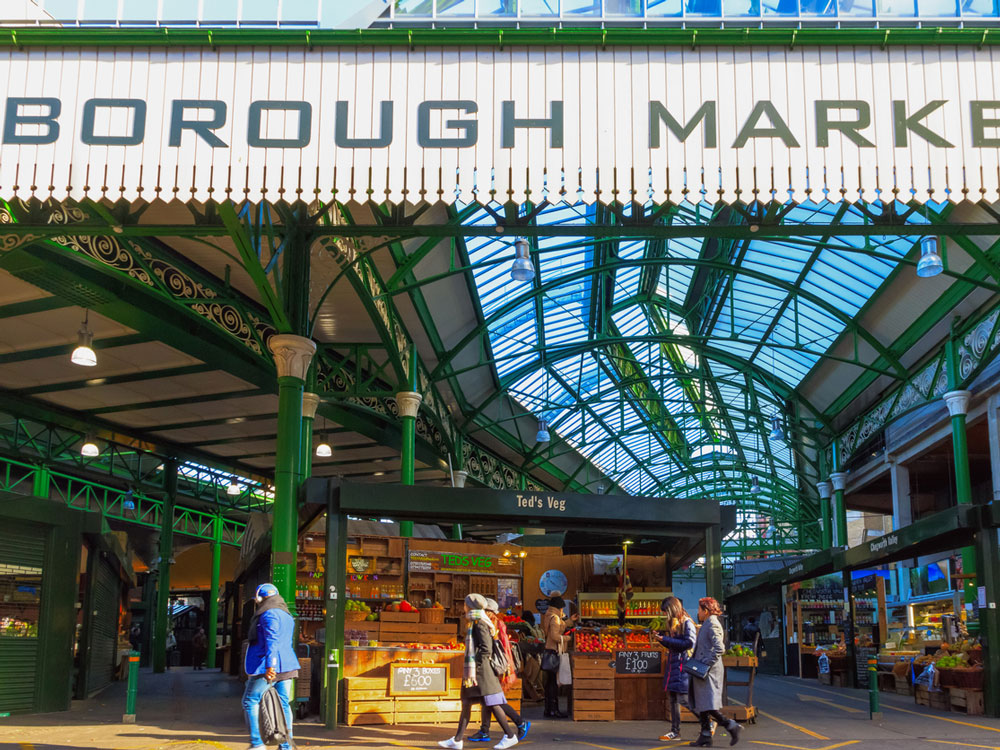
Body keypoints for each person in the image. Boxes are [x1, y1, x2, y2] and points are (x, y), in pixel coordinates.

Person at [438, 594, 518, 750]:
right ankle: (457, 740)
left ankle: (510, 735)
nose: (463, 607)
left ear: (470, 606)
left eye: (465, 604)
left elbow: (486, 648)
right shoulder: (475, 621)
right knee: (468, 703)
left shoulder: (479, 623)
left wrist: (477, 664)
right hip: (477, 673)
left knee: (493, 704)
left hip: (481, 673)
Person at [242, 583, 300, 750]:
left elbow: (272, 641)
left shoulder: (268, 614)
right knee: (283, 704)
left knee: (250, 701)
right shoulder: (287, 615)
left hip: (268, 666)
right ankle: (286, 746)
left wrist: (270, 666)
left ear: (261, 598)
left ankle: (257, 743)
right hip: (288, 665)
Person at [468, 599, 530, 743]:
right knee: (487, 699)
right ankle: (484, 730)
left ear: (489, 611)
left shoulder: (496, 624)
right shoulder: (487, 622)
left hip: (495, 667)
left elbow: (503, 647)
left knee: (495, 700)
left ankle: (519, 723)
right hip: (491, 666)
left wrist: (505, 668)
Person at [688, 597, 742, 747]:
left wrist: (705, 663)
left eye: (699, 609)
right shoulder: (708, 623)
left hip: (708, 672)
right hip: (704, 671)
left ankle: (731, 726)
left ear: (705, 610)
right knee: (703, 704)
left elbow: (720, 648)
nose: (698, 612)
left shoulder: (712, 623)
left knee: (709, 705)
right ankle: (705, 735)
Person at [658, 596, 697, 742]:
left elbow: (689, 643)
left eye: (666, 612)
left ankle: (707, 721)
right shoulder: (675, 623)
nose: (665, 615)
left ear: (672, 609)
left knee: (684, 699)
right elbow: (675, 645)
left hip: (682, 666)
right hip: (674, 665)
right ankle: (675, 731)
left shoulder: (687, 623)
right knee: (673, 699)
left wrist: (666, 639)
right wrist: (663, 640)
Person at [540, 594, 575, 718]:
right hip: (553, 652)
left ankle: (548, 709)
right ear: (559, 608)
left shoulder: (549, 615)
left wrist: (569, 620)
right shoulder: (555, 618)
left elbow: (559, 626)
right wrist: (567, 638)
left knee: (550, 682)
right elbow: (555, 636)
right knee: (553, 683)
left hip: (549, 650)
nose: (563, 611)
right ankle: (553, 710)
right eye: (562, 609)